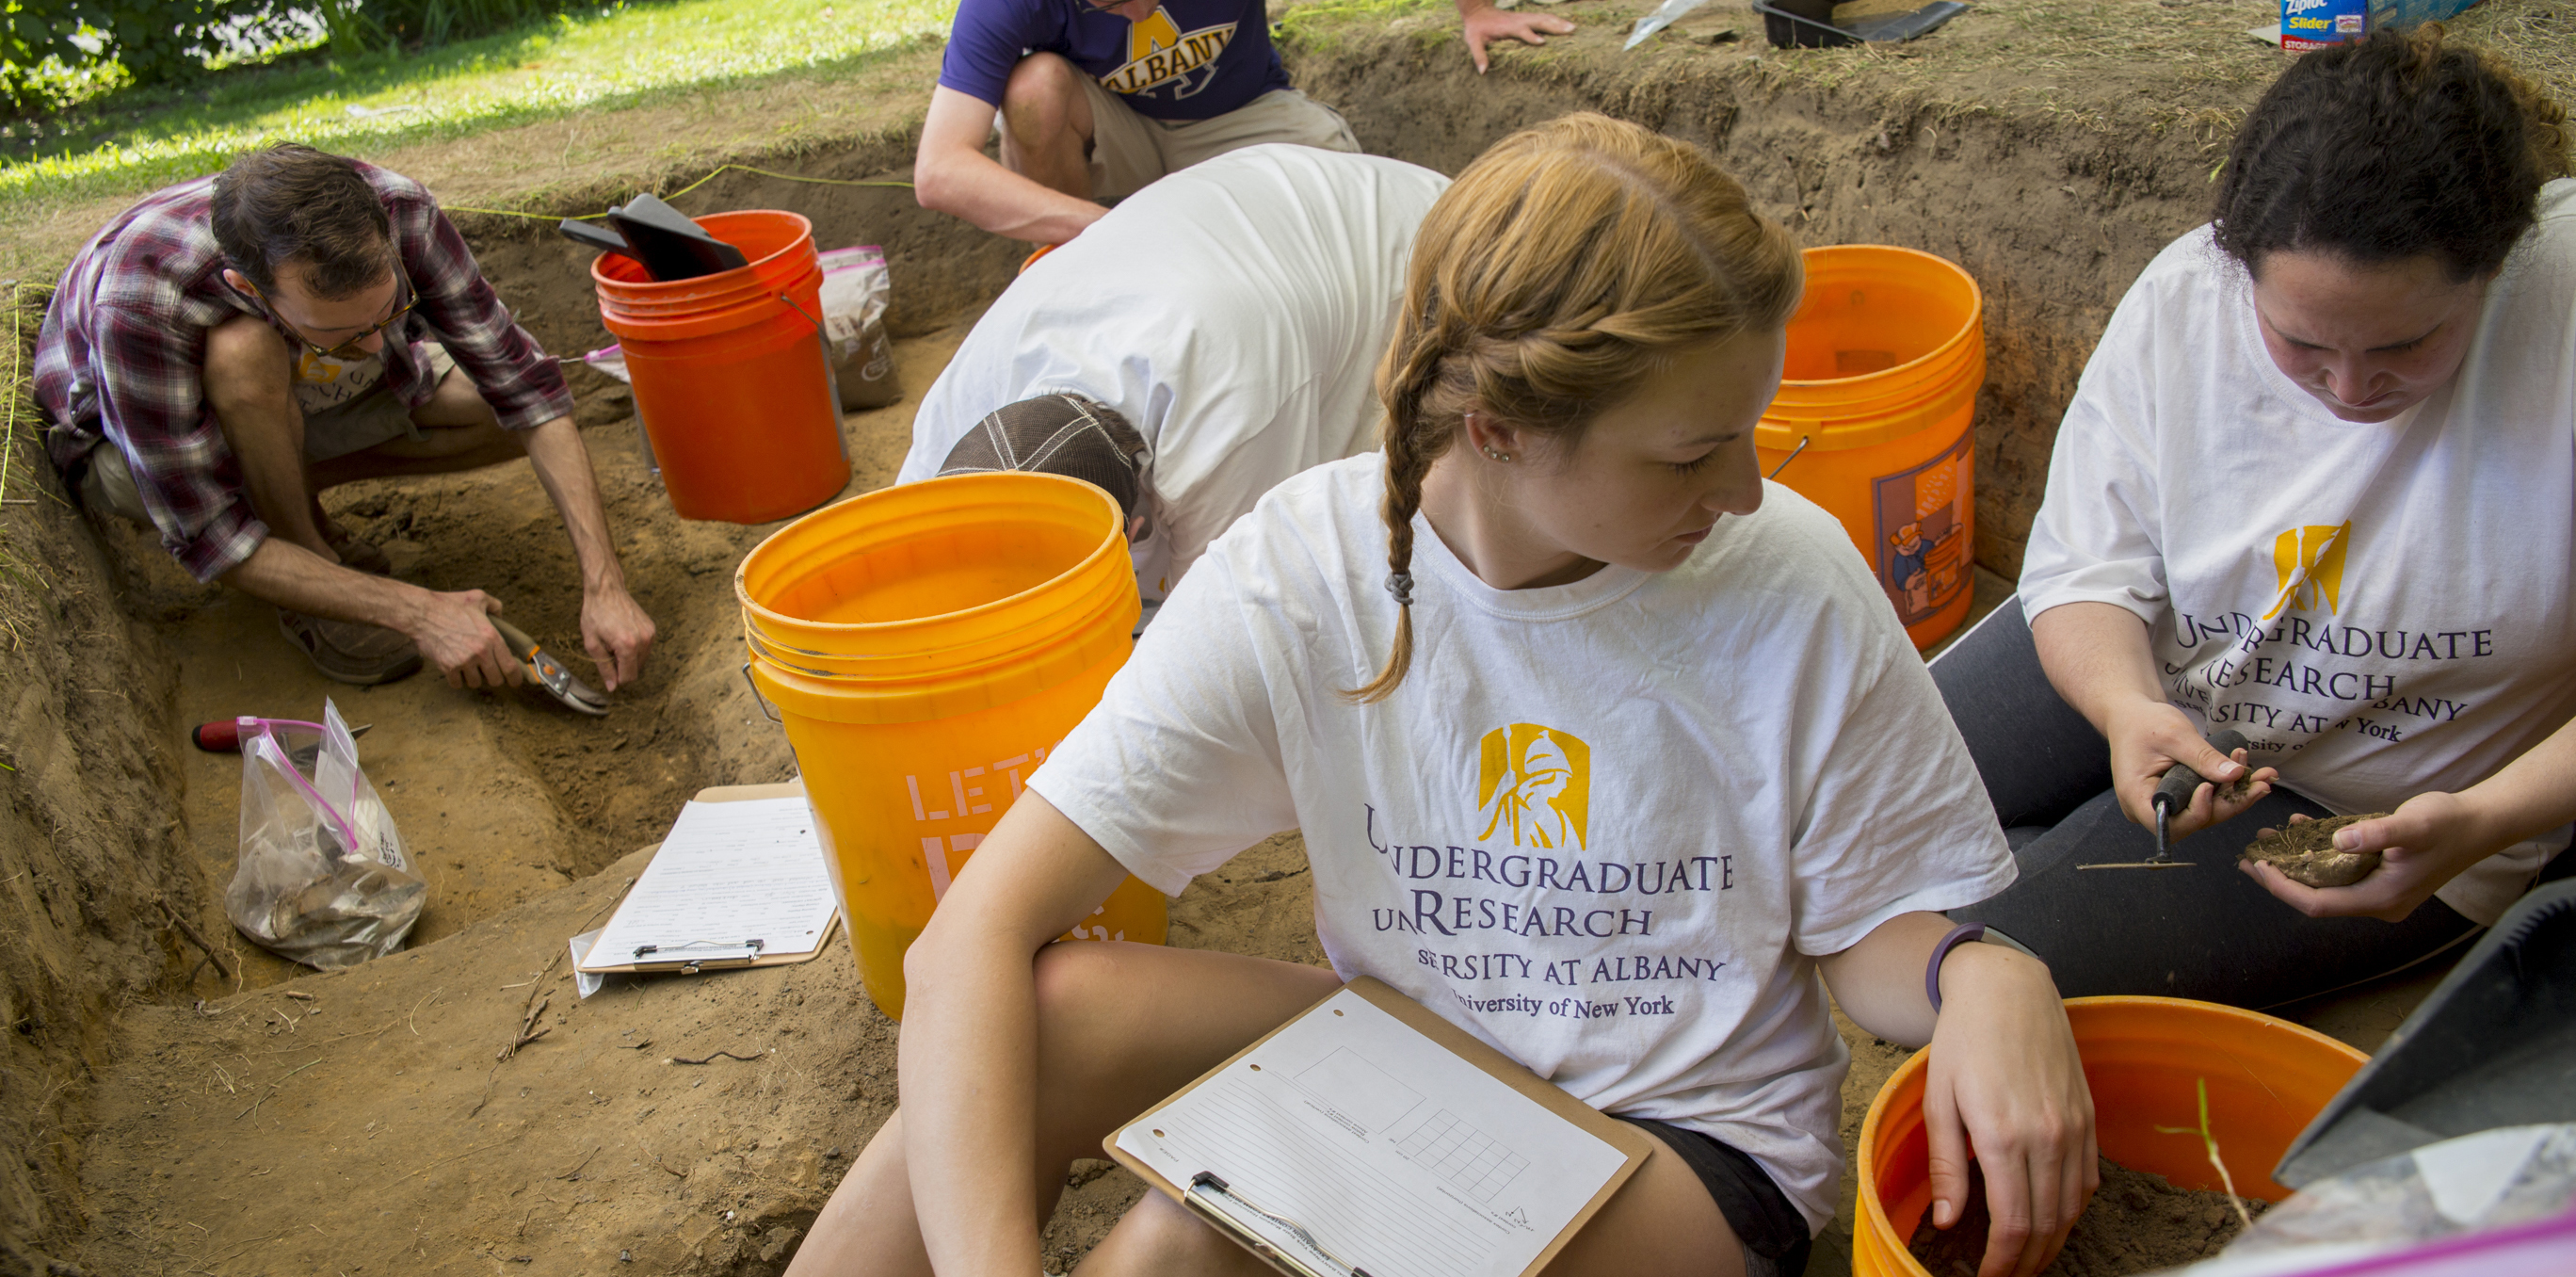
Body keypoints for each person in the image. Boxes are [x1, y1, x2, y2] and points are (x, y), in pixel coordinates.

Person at [791, 115, 2094, 1277]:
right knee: (1047, 1019)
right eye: (1692, 453)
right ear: (1498, 431)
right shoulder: (1304, 572)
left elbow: (1863, 928)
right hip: (1411, 1059)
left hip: (1683, 1151)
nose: (1747, 490)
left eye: (1750, 431)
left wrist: (1976, 972)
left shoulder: (1788, 583)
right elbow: (973, 938)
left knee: (1191, 1236)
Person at [1937, 28, 2576, 1009]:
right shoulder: (2189, 296)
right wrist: (2124, 707)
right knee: (1843, 818)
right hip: (2167, 667)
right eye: (2300, 341)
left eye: (2406, 345)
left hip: (2382, 802)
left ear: (2495, 269)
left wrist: (2488, 821)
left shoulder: (2561, 314)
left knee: (1974, 972)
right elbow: (2086, 570)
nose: (2350, 388)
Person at [35, 143, 654, 689]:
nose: (374, 344)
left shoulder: (402, 210)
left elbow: (529, 392)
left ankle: (286, 488)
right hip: (131, 446)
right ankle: (307, 569)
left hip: (296, 384)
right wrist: (421, 612)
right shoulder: (142, 304)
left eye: (388, 313)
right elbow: (212, 539)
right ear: (249, 288)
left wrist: (606, 585)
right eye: (344, 332)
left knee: (492, 409)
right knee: (242, 353)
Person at [897, 143, 1452, 622]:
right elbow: (900, 582)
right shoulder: (956, 406)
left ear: (1136, 528)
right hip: (1239, 233)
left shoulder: (1226, 427)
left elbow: (1215, 635)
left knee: (1375, 540)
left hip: (1422, 251)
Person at [915, 0, 1567, 245]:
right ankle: (1069, 268)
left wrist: (1476, 10)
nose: (1142, 12)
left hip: (1244, 111)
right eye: (1111, 2)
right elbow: (940, 171)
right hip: (1121, 127)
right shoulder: (1003, 3)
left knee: (1355, 203)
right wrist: (1104, 233)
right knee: (1033, 88)